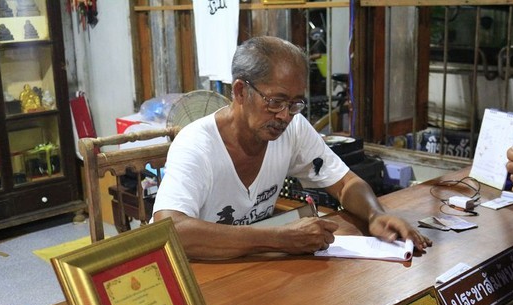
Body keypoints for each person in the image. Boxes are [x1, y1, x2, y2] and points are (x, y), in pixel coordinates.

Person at [152, 36, 432, 260]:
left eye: (296, 103)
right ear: (240, 92)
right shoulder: (196, 145)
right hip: (204, 276)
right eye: (275, 101)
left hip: (257, 265)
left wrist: (376, 214)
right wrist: (278, 238)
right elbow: (171, 230)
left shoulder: (292, 128)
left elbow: (346, 183)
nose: (286, 115)